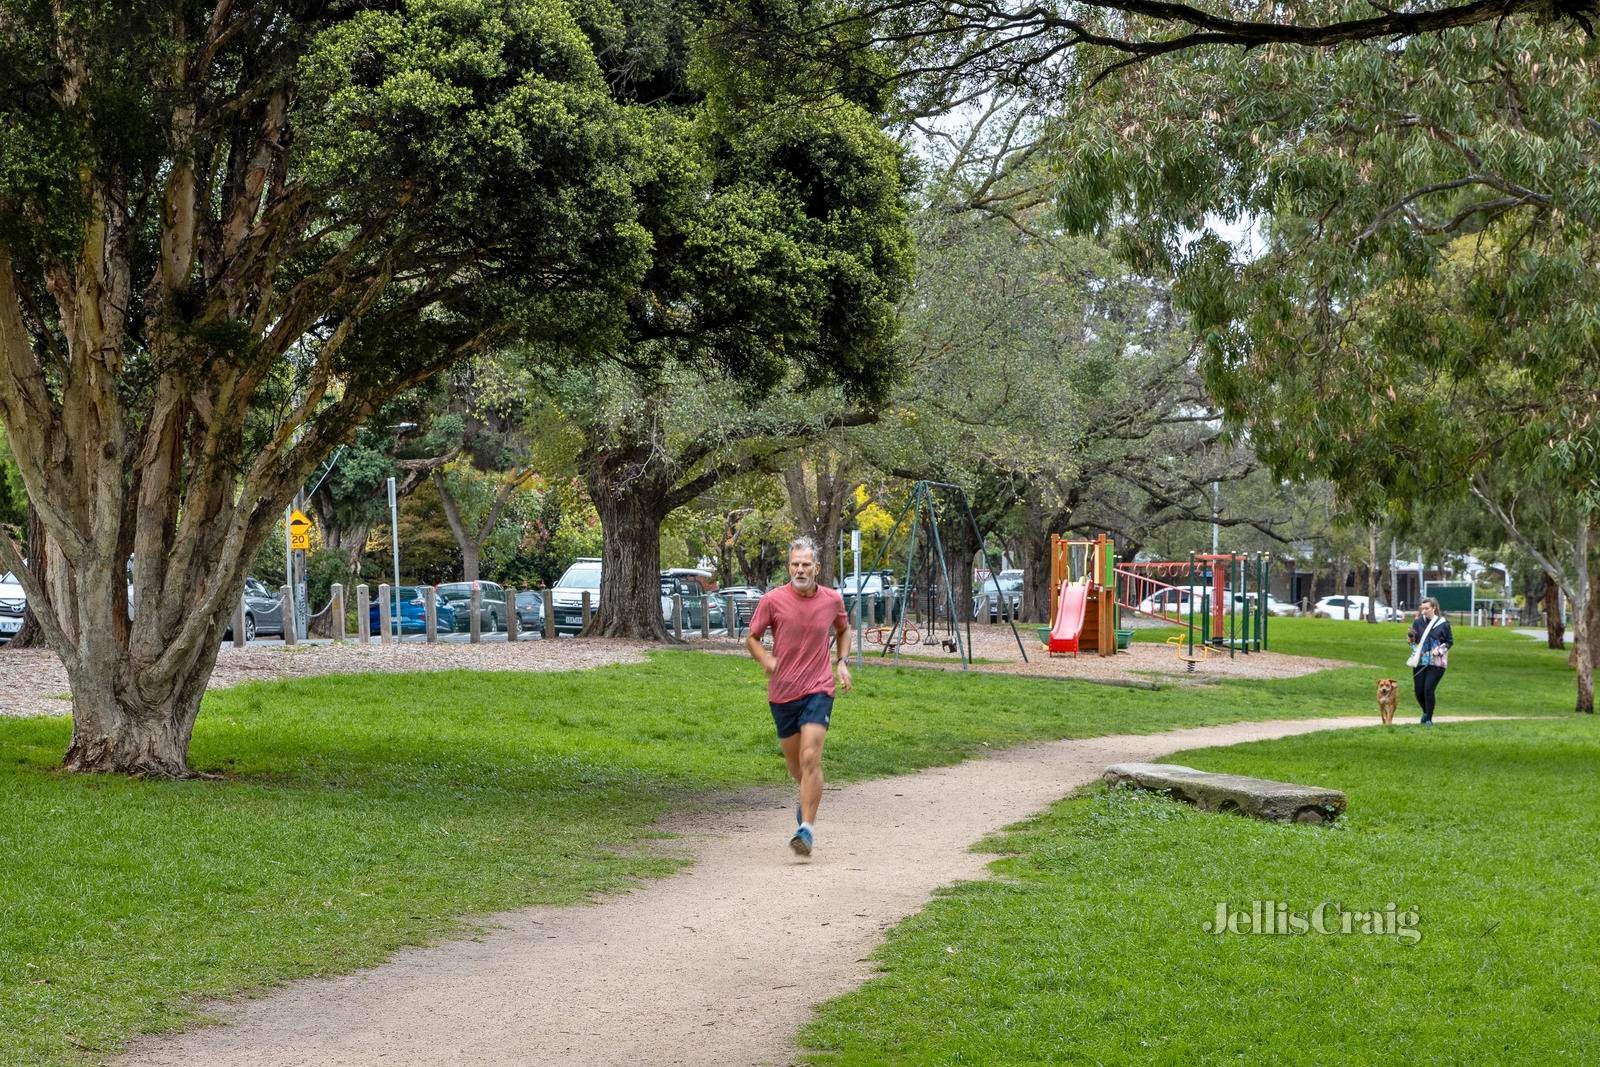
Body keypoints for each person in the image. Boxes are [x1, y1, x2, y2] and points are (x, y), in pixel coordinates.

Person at [745, 536, 853, 856]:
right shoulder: (772, 600)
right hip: (782, 693)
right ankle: (805, 800)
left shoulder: (832, 599)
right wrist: (764, 658)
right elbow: (752, 637)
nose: (800, 569)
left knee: (810, 757)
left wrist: (842, 662)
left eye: (806, 564)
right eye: (795, 564)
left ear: (817, 567)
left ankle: (806, 829)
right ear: (789, 566)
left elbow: (844, 629)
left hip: (819, 688)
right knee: (796, 768)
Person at [1407, 596, 1453, 725]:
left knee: (1428, 689)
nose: (1424, 611)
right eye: (1422, 608)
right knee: (1419, 691)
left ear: (1434, 608)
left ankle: (1428, 719)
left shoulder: (1443, 623)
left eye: (1427, 608)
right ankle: (1426, 712)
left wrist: (1439, 650)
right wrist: (1410, 639)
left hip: (1437, 663)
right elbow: (1414, 643)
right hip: (1420, 661)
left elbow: (1449, 642)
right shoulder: (1418, 622)